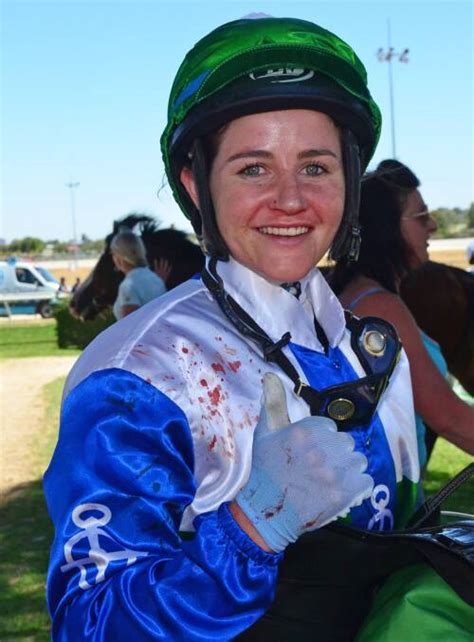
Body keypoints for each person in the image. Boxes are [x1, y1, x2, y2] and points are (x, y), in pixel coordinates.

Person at [44, 17, 461, 641]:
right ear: (196, 185)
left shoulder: (371, 349)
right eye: (253, 169)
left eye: (316, 167)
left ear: (347, 181)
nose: (291, 200)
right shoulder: (137, 374)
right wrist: (251, 528)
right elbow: (88, 623)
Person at [330, 159, 474, 465]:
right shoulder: (378, 305)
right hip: (391, 506)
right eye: (421, 216)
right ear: (387, 227)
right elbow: (449, 418)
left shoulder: (363, 293)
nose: (432, 224)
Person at [110, 230, 167, 319]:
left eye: (113, 253)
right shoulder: (156, 279)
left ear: (119, 256)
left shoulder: (128, 286)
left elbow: (131, 326)